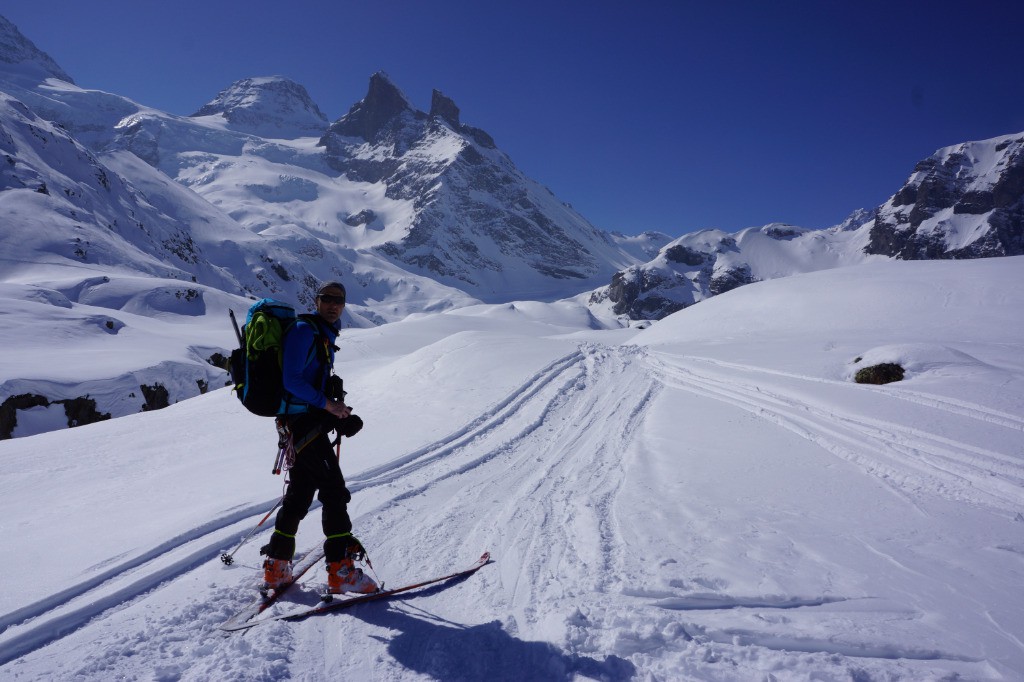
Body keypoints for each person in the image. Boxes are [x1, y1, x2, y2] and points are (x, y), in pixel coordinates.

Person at [260, 281, 378, 595]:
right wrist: (329, 405)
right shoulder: (304, 331)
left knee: (300, 493)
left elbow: (309, 387)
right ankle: (341, 571)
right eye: (327, 299)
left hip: (305, 425)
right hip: (302, 427)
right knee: (334, 492)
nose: (333, 305)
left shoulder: (320, 335)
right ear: (316, 300)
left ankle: (276, 566)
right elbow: (292, 380)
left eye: (338, 300)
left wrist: (337, 413)